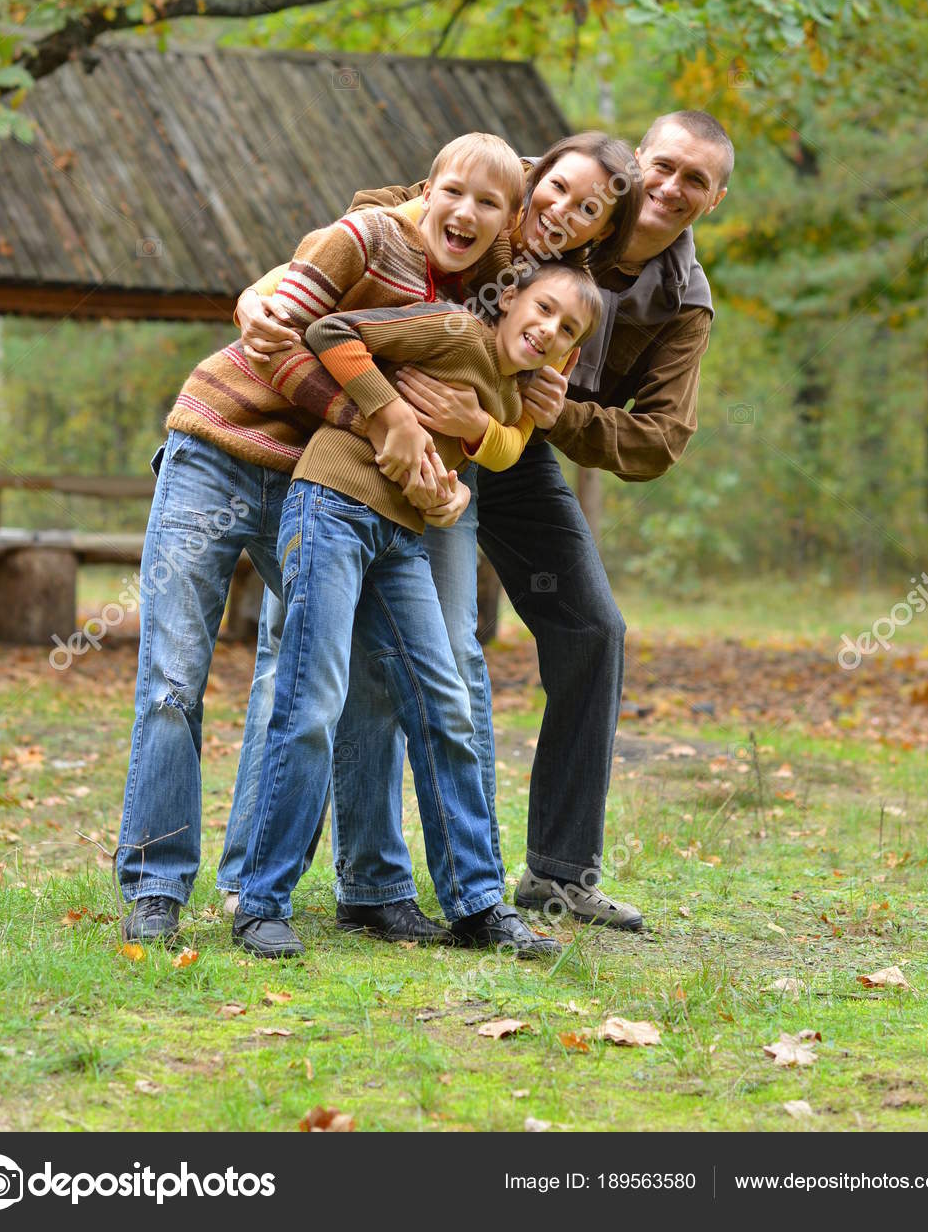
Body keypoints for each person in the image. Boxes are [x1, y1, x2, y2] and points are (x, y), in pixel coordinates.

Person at [296, 111, 733, 934]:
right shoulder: (544, 182)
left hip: (518, 443)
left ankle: (558, 872)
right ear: (637, 162)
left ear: (712, 202)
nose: (672, 188)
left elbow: (660, 439)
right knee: (421, 646)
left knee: (592, 627)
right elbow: (390, 206)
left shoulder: (683, 302)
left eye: (695, 182)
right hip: (426, 413)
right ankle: (370, 876)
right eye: (665, 167)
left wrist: (557, 415)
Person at [230, 132, 643, 937]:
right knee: (309, 685)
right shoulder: (453, 288)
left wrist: (474, 429)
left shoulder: (552, 322)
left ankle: (471, 903)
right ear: (532, 185)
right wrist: (379, 406)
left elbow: (516, 436)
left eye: (589, 209)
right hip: (336, 495)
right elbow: (332, 302)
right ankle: (263, 894)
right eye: (557, 190)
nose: (565, 212)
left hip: (415, 521)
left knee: (446, 686)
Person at [117, 132, 526, 944]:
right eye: (454, 192)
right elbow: (276, 342)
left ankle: (340, 887)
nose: (467, 213)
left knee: (350, 678)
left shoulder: (480, 294)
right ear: (428, 188)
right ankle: (156, 885)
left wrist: (441, 475)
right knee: (173, 676)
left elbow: (483, 416)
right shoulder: (362, 239)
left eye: (489, 204)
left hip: (315, 485)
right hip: (219, 449)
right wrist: (379, 416)